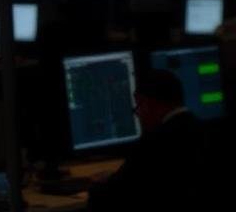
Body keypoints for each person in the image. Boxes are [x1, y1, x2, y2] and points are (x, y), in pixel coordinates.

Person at [87, 69, 208, 210]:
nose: (138, 114)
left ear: (149, 104)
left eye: (138, 106)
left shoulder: (153, 143)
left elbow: (111, 196)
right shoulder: (204, 131)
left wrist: (95, 186)